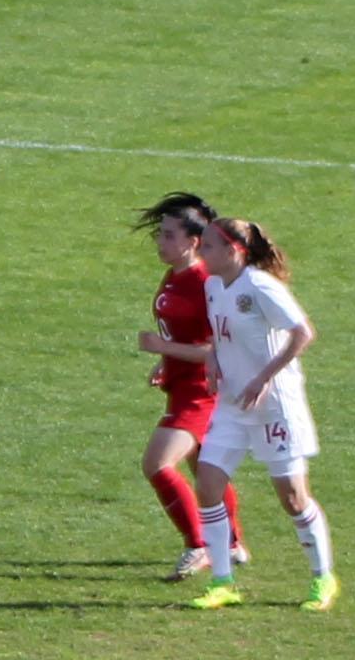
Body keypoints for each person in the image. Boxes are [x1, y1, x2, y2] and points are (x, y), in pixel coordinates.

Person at [186, 217, 338, 612]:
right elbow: (221, 335)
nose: (202, 252)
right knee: (207, 482)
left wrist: (264, 378)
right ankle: (223, 582)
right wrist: (213, 361)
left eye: (209, 247)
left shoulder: (262, 287)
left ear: (233, 252)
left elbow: (302, 333)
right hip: (235, 405)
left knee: (292, 497)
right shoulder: (213, 284)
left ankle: (323, 578)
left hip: (274, 407)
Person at [132, 192, 247, 580]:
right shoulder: (176, 274)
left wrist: (164, 348)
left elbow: (218, 349)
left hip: (201, 391)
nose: (160, 242)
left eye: (168, 235)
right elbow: (186, 334)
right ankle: (231, 542)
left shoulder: (204, 283)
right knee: (204, 467)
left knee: (158, 464)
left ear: (193, 242)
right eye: (160, 234)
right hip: (182, 383)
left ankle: (199, 546)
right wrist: (165, 363)